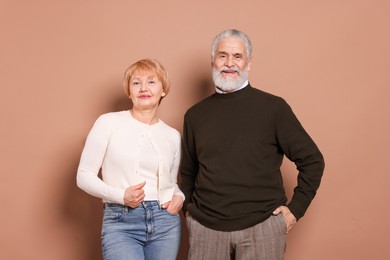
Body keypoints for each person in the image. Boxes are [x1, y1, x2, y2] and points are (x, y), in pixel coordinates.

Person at [181, 29, 325, 260]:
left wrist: (295, 210)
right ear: (213, 61)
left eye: (237, 56)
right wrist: (188, 210)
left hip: (262, 227)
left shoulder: (273, 108)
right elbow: (187, 171)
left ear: (248, 63)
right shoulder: (194, 115)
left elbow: (313, 160)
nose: (230, 63)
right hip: (205, 229)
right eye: (223, 55)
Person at [77, 59, 184, 260]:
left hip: (165, 223)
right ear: (129, 91)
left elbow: (171, 183)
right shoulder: (108, 123)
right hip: (121, 220)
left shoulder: (172, 135)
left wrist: (180, 196)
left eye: (151, 82)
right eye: (136, 83)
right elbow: (83, 175)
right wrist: (120, 195)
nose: (143, 88)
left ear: (163, 90)